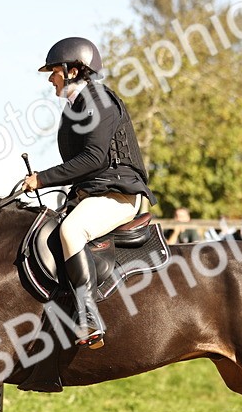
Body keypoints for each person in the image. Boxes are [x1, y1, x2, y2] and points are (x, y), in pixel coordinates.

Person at [23, 37, 154, 349]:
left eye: (53, 71)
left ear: (72, 71)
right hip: (94, 193)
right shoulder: (76, 107)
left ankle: (88, 316)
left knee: (72, 229)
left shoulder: (98, 101)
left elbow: (94, 159)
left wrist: (42, 179)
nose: (50, 78)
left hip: (118, 195)